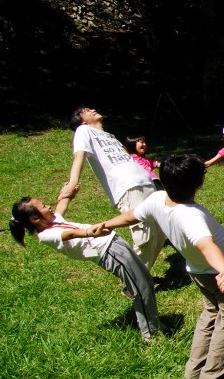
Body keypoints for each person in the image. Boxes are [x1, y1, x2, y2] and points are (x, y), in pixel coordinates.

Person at [94, 154, 224, 379]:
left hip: (198, 272)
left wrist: (107, 224)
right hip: (220, 273)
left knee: (210, 314)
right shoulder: (191, 214)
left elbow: (130, 216)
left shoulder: (157, 198)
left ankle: (193, 371)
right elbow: (206, 245)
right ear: (199, 183)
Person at [9, 190, 162, 344]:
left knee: (146, 282)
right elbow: (70, 234)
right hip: (110, 252)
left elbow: (62, 205)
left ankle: (153, 323)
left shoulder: (54, 220)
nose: (48, 206)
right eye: (43, 206)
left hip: (114, 245)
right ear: (35, 218)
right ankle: (150, 333)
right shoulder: (46, 235)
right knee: (140, 288)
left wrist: (69, 193)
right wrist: (90, 232)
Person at [59, 106, 165, 269]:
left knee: (160, 233)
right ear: (82, 120)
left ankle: (140, 276)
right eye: (85, 111)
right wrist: (73, 182)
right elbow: (79, 155)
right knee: (145, 236)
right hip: (128, 186)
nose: (92, 109)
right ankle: (133, 280)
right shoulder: (83, 131)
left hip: (145, 182)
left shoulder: (110, 136)